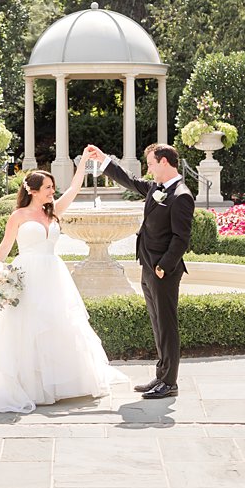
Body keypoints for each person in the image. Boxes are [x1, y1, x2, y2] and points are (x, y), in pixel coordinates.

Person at [0, 147, 125, 414]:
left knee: (57, 324)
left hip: (53, 275)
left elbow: (73, 189)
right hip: (26, 275)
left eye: (52, 186)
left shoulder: (54, 213)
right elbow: (4, 249)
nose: (52, 191)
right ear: (33, 190)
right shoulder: (18, 216)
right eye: (48, 187)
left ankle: (59, 385)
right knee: (25, 328)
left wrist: (84, 162)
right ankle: (31, 385)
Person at [85, 143, 193, 399]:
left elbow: (181, 238)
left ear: (164, 162)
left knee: (167, 326)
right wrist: (104, 159)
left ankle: (169, 382)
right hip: (148, 266)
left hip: (163, 271)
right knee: (157, 324)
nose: (149, 168)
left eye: (152, 163)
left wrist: (163, 267)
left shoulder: (181, 195)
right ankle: (161, 376)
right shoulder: (156, 188)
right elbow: (130, 181)